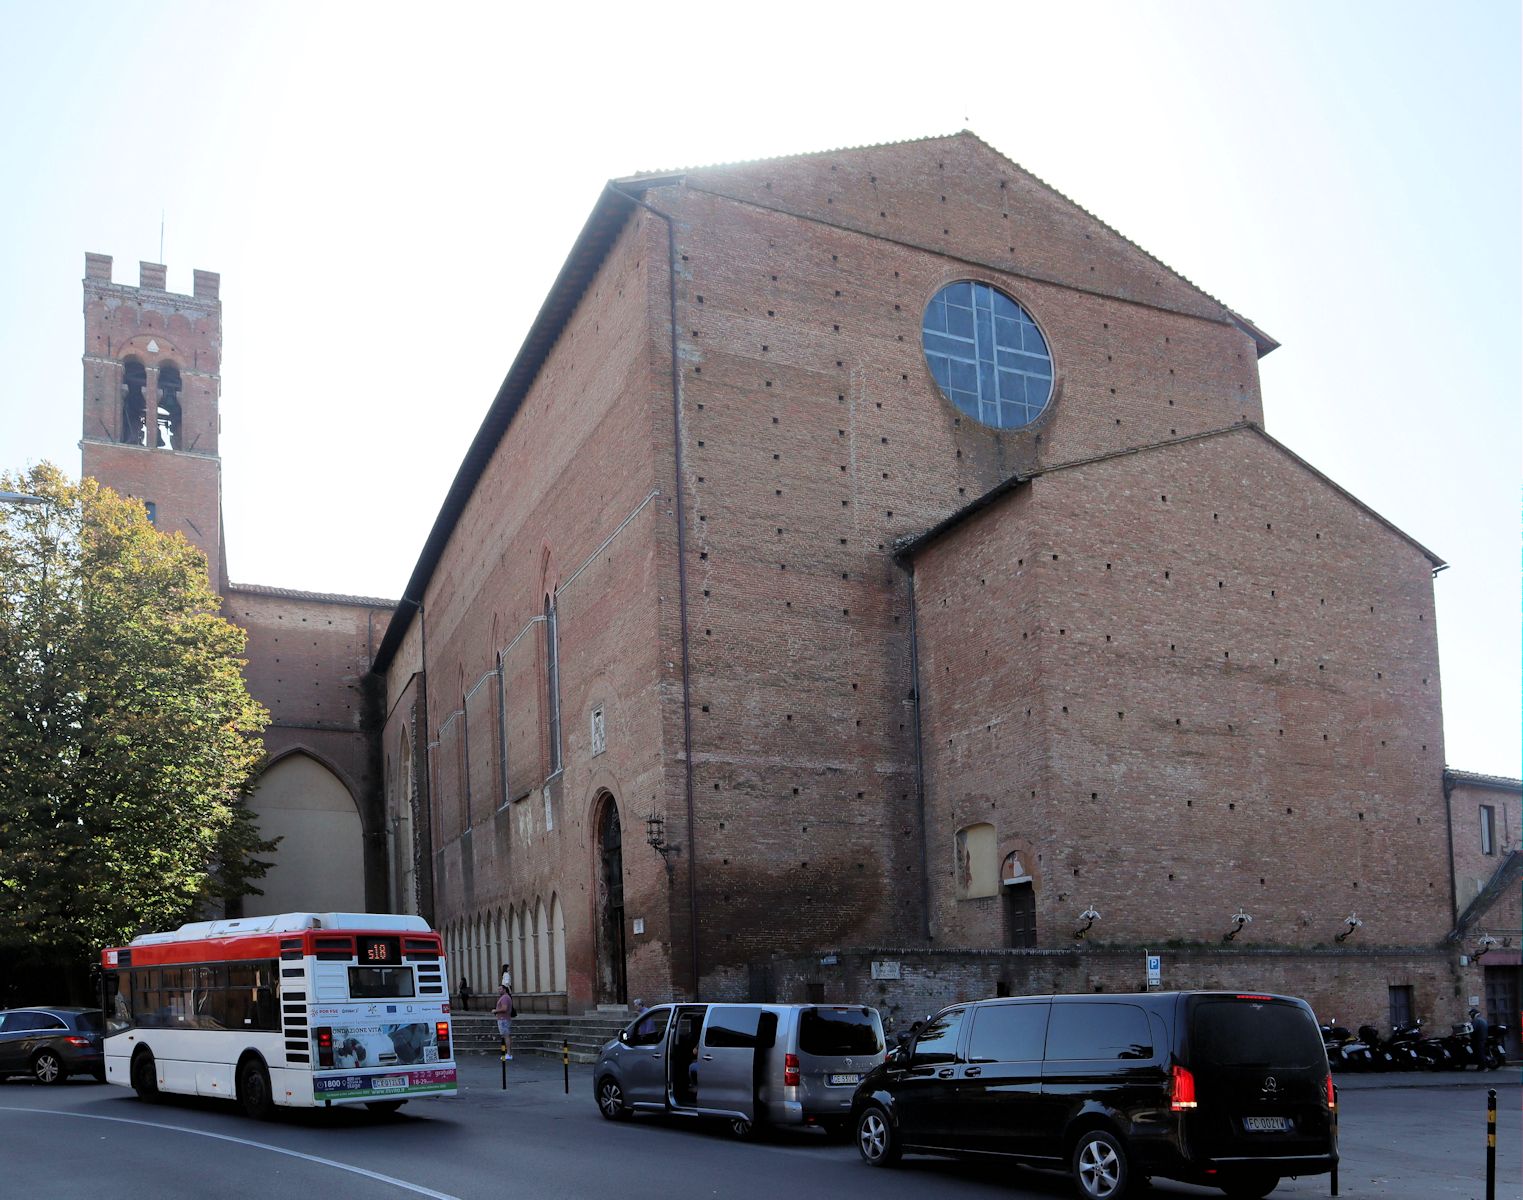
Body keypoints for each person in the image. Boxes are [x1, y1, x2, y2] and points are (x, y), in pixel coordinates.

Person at [494, 984, 514, 1060]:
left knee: (506, 1036)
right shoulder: (505, 997)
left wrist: (495, 1011)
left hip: (503, 1019)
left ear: (504, 989)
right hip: (504, 1019)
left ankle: (508, 1053)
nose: (499, 991)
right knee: (505, 1036)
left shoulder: (505, 998)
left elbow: (504, 1008)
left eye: (500, 989)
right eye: (498, 989)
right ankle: (506, 1053)